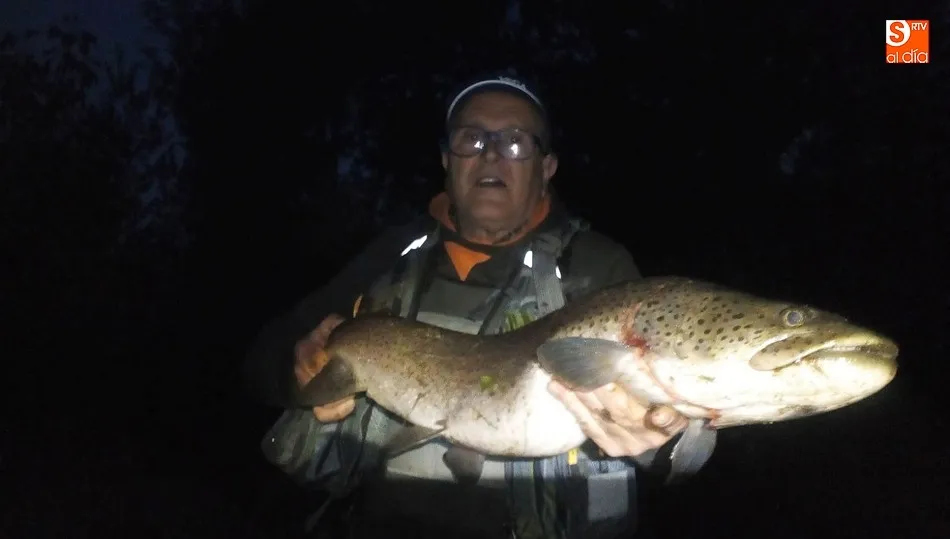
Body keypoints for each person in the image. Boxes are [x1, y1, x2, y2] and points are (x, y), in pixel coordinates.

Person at [244, 74, 688, 539]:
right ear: (445, 160)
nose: (491, 154)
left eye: (515, 141)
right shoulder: (390, 256)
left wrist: (663, 442)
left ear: (547, 167)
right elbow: (261, 363)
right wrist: (298, 369)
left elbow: (669, 434)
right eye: (470, 138)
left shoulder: (598, 267)